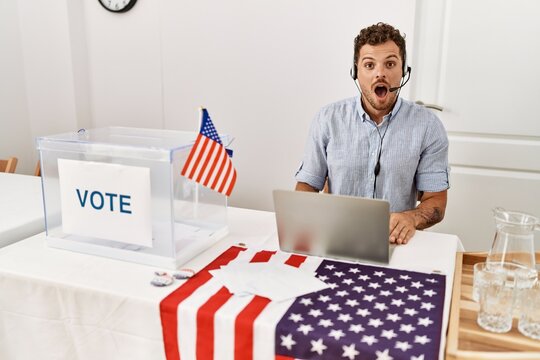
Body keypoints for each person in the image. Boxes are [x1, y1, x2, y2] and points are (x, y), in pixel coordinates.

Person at [295, 22, 449, 245]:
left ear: (404, 70)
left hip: (396, 243)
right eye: (369, 65)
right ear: (355, 71)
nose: (380, 73)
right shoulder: (327, 119)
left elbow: (436, 202)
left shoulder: (428, 126)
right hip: (337, 239)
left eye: (390, 64)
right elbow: (306, 186)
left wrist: (410, 218)